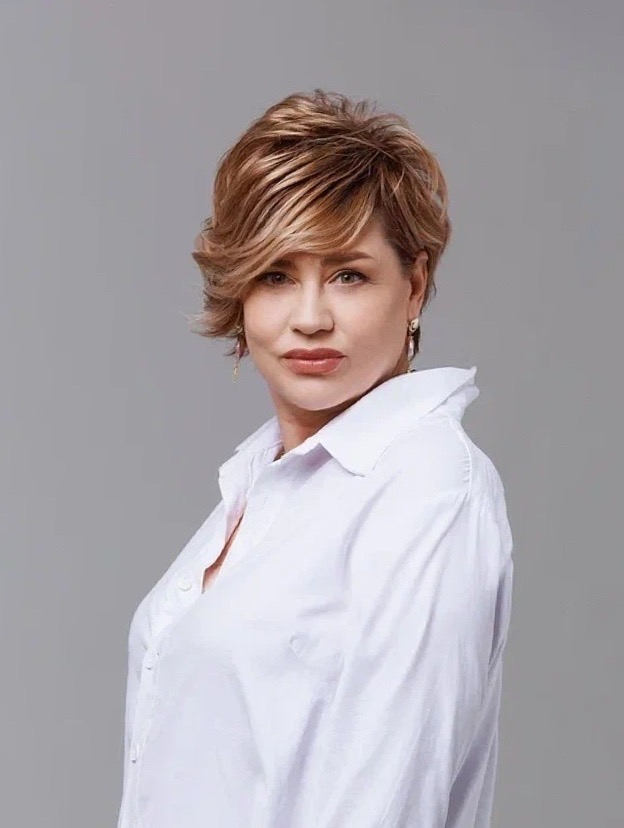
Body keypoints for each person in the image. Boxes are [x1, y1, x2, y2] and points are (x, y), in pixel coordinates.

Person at [116, 89, 515, 827]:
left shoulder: (424, 486)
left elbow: (387, 801)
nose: (309, 317)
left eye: (348, 275)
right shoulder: (261, 485)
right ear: (239, 293)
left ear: (414, 286)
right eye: (276, 275)